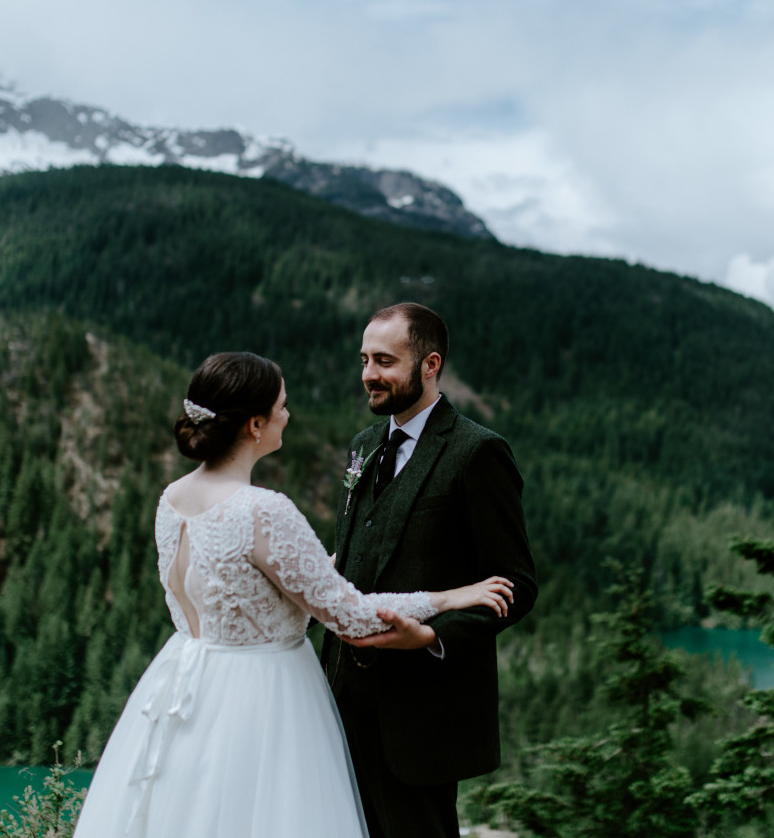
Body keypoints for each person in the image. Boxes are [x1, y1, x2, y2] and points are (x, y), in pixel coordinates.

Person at [72, 351, 515, 838]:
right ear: (256, 425)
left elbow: (227, 591)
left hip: (189, 685)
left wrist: (307, 576)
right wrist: (448, 598)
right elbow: (352, 617)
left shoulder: (172, 500)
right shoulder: (263, 510)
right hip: (264, 698)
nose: (289, 414)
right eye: (282, 406)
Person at [321, 303, 538, 838]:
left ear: (430, 364)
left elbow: (516, 584)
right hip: (339, 698)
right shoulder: (364, 446)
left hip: (420, 713)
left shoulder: (477, 452)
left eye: (386, 361)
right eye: (365, 359)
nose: (370, 374)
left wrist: (430, 637)